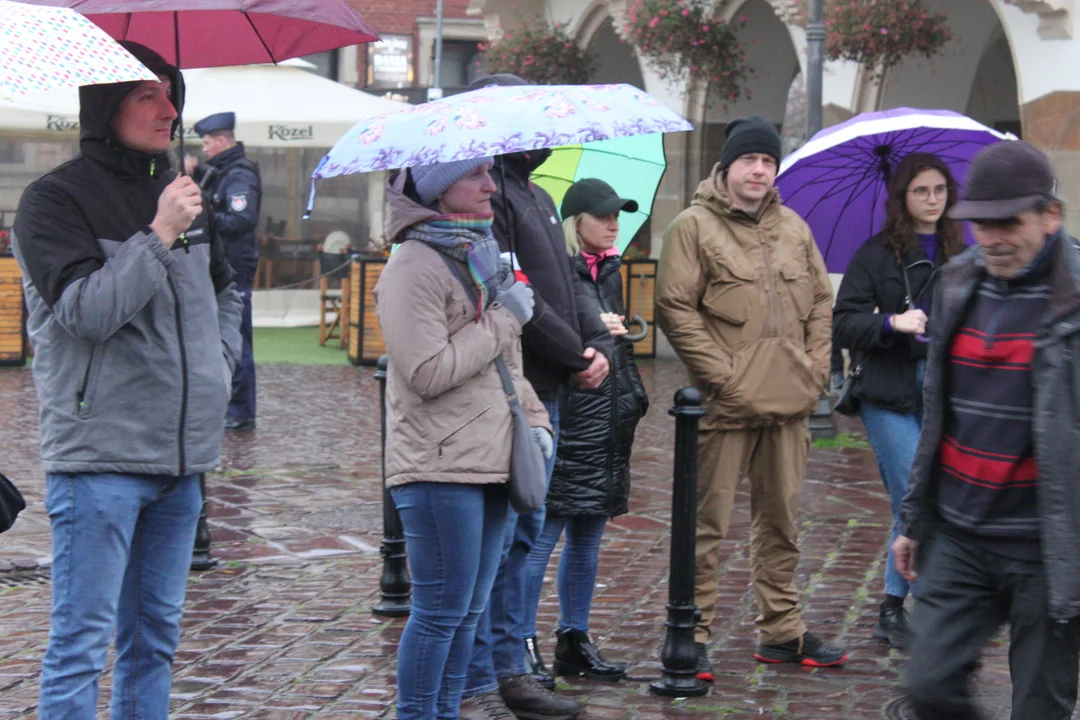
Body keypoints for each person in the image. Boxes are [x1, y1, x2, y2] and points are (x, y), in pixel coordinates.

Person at [11, 42, 243, 718]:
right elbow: (86, 314)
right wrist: (159, 233)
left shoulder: (180, 192)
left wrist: (219, 367)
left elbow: (227, 293)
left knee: (156, 641)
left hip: (182, 459)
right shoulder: (54, 201)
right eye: (149, 95)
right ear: (106, 105)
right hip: (100, 459)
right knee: (81, 642)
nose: (169, 110)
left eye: (173, 94)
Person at [895, 141, 1080, 718]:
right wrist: (914, 519)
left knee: (1040, 706)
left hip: (1047, 549)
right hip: (960, 535)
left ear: (1050, 216)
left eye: (1008, 224)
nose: (992, 239)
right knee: (928, 686)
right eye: (981, 225)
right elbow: (938, 415)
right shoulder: (956, 284)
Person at [656, 115, 843, 681]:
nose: (759, 170)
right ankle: (693, 633)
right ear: (727, 167)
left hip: (789, 405)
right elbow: (675, 308)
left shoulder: (794, 228)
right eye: (749, 161)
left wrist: (814, 373)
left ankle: (782, 632)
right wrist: (724, 379)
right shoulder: (693, 227)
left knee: (782, 521)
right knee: (704, 527)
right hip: (725, 407)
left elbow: (818, 305)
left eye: (767, 161)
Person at [375, 156, 552, 719]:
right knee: (439, 613)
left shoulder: (476, 256)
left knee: (468, 612)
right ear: (437, 187)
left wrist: (537, 422)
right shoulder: (414, 265)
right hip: (438, 465)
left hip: (491, 460)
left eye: (489, 172)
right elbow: (426, 372)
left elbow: (507, 366)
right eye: (474, 174)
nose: (488, 185)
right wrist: (502, 318)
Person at [459, 74, 612, 720]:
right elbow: (515, 292)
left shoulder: (536, 193)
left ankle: (508, 667)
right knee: (504, 541)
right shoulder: (490, 196)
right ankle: (484, 674)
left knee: (521, 535)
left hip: (548, 388)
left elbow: (567, 281)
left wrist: (596, 336)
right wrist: (574, 354)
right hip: (517, 386)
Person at [832, 152, 965, 650]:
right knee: (914, 493)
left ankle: (894, 607)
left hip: (944, 392)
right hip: (887, 392)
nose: (932, 200)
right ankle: (928, 610)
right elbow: (842, 321)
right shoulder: (875, 254)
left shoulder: (962, 253)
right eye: (921, 191)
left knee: (930, 496)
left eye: (939, 191)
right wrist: (892, 322)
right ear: (903, 197)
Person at [520, 179, 649, 682]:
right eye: (603, 215)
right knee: (541, 537)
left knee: (588, 538)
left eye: (618, 214)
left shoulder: (608, 270)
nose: (614, 223)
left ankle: (574, 638)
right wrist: (592, 332)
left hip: (608, 422)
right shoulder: (559, 271)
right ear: (576, 224)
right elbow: (545, 335)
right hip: (571, 418)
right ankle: (520, 640)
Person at [185, 111, 262, 432]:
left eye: (206, 143)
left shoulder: (239, 175)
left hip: (234, 270)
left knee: (237, 339)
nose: (204, 149)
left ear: (221, 141)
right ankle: (229, 406)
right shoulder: (223, 172)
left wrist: (206, 215)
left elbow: (242, 219)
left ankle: (240, 410)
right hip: (223, 268)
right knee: (221, 337)